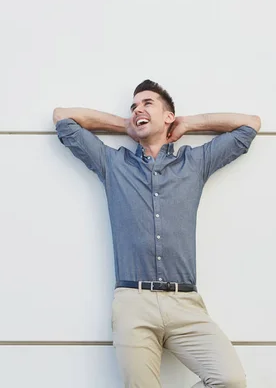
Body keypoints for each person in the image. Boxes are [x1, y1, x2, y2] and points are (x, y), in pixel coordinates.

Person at [53, 80, 261, 388]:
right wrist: (126, 125)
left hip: (185, 303)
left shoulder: (194, 162)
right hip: (133, 303)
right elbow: (62, 118)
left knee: (230, 381)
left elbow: (249, 126)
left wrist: (188, 123)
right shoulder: (113, 164)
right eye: (133, 106)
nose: (138, 109)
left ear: (168, 117)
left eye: (147, 103)